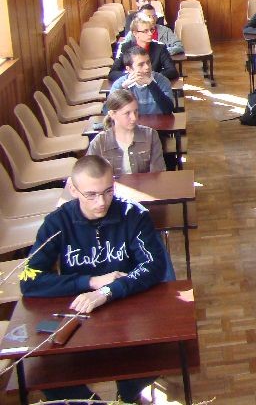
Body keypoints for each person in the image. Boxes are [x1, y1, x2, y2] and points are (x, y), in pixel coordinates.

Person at [19, 155, 167, 403]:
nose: (101, 202)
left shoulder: (133, 214)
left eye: (108, 191)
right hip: (78, 315)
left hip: (127, 309)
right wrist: (90, 282)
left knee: (159, 354)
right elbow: (29, 281)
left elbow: (154, 266)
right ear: (73, 189)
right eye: (91, 195)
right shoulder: (57, 223)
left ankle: (128, 397)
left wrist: (107, 291)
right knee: (46, 374)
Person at [87, 89, 166, 176]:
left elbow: (158, 173)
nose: (134, 118)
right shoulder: (99, 142)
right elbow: (90, 175)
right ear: (112, 114)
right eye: (127, 113)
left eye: (135, 111)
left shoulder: (151, 135)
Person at [109, 15, 179, 82]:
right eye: (145, 31)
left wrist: (151, 77)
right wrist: (131, 77)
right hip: (132, 84)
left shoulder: (160, 47)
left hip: (154, 83)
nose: (150, 34)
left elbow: (172, 71)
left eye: (151, 30)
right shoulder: (125, 47)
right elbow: (113, 73)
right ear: (135, 33)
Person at [109, 46, 174, 115]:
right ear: (129, 69)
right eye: (141, 65)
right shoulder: (120, 84)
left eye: (148, 62)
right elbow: (109, 111)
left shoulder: (162, 80)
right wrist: (122, 89)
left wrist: (151, 84)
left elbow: (168, 110)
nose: (147, 67)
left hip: (158, 121)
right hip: (133, 121)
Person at [117, 2, 183, 56]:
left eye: (154, 16)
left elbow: (179, 46)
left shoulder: (165, 31)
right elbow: (122, 49)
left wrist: (162, 52)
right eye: (148, 16)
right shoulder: (135, 32)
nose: (152, 19)